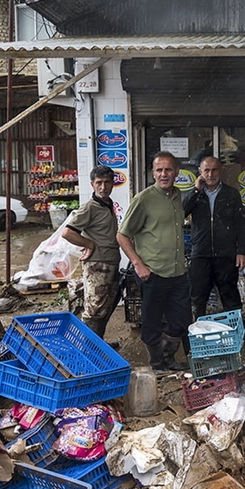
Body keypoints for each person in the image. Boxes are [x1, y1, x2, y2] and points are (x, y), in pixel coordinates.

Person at [116, 151, 191, 372]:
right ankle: (157, 364)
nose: (164, 174)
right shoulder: (144, 199)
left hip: (178, 271)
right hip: (153, 272)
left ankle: (168, 358)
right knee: (152, 322)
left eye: (168, 169)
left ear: (176, 172)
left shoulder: (177, 196)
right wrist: (138, 264)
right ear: (153, 173)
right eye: (159, 170)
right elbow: (122, 235)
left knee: (181, 320)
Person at [183, 155, 245, 319]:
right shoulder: (195, 195)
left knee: (230, 298)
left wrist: (241, 251)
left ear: (221, 171)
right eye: (206, 170)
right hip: (201, 254)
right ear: (200, 172)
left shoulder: (231, 194)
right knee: (198, 299)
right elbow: (182, 211)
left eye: (214, 170)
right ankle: (198, 334)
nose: (210, 174)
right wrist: (196, 189)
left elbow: (240, 224)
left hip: (226, 255)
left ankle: (234, 333)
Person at [60, 165, 120, 339]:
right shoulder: (90, 207)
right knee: (94, 311)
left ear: (112, 184)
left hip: (110, 262)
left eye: (107, 182)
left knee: (105, 307)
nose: (103, 187)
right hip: (97, 265)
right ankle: (87, 351)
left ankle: (98, 346)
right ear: (92, 184)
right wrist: (89, 244)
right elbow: (67, 232)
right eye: (99, 183)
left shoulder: (107, 204)